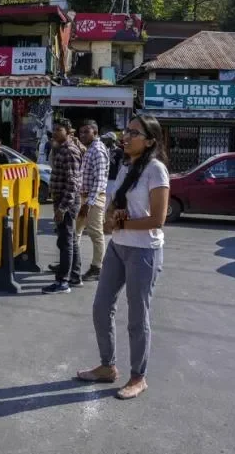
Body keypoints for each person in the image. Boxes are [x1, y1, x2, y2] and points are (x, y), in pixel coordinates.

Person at [75, 114, 169, 400]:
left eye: (134, 133)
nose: (126, 137)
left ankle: (138, 376)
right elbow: (115, 207)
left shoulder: (156, 170)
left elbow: (158, 219)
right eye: (126, 131)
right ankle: (107, 366)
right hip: (118, 246)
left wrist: (122, 223)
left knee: (137, 318)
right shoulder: (126, 165)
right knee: (101, 307)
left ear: (150, 141)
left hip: (144, 251)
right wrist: (110, 219)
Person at [42, 118, 82, 294]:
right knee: (70, 240)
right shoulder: (60, 149)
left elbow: (73, 183)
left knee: (65, 241)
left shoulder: (69, 151)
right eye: (55, 129)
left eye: (60, 129)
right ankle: (74, 275)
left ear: (68, 131)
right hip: (63, 200)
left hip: (67, 201)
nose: (56, 132)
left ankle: (63, 282)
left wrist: (62, 208)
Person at [76, 120, 110, 281]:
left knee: (96, 234)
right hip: (83, 197)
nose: (82, 135)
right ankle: (71, 262)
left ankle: (97, 267)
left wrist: (88, 204)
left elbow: (100, 180)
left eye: (86, 132)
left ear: (95, 133)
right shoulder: (90, 149)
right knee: (75, 232)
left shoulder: (97, 150)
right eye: (81, 132)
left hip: (93, 199)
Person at [102, 131, 125, 207]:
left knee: (109, 200)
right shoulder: (105, 150)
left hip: (113, 180)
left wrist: (119, 179)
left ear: (112, 140)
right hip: (105, 179)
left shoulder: (119, 151)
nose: (105, 141)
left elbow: (120, 166)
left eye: (107, 139)